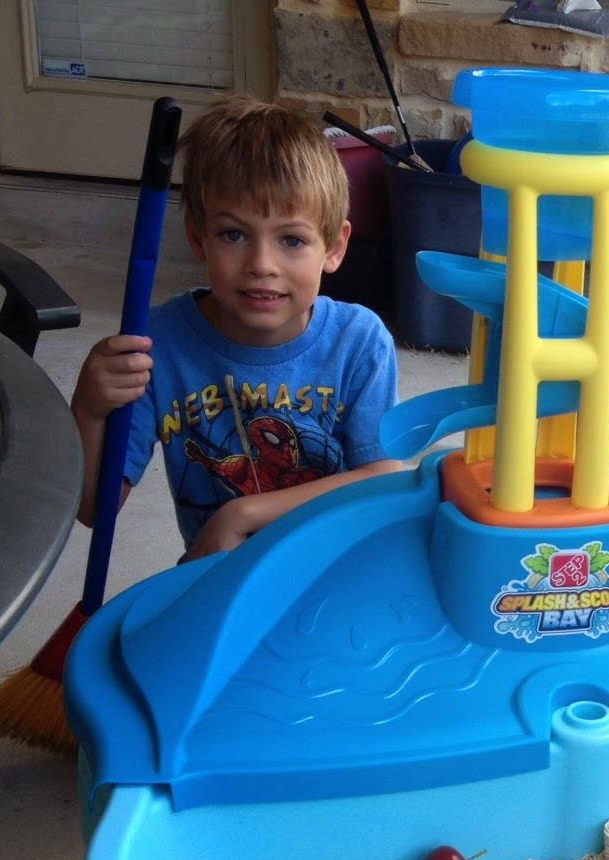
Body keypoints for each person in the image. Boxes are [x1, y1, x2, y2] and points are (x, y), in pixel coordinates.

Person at [71, 95, 402, 561]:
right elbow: (94, 511)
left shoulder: (358, 341)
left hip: (333, 574)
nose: (261, 265)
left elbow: (384, 479)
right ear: (197, 235)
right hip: (219, 585)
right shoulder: (154, 346)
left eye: (291, 239)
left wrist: (240, 514)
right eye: (233, 234)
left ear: (333, 247)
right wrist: (88, 410)